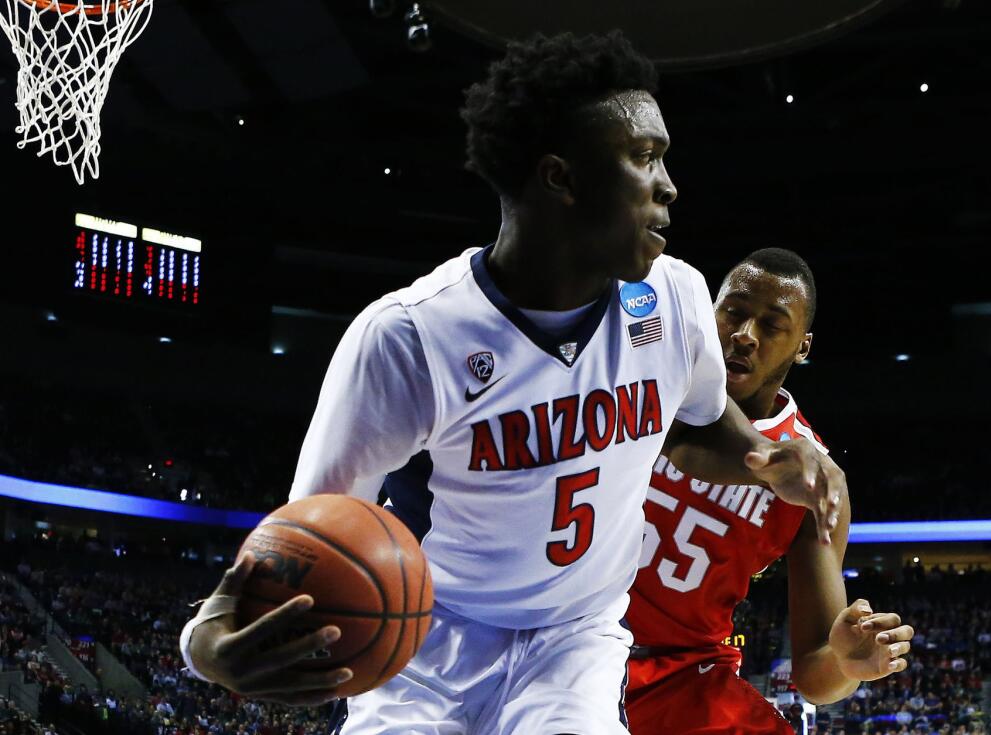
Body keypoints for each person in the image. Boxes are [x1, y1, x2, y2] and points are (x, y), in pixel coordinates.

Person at [177, 32, 846, 735]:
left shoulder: (674, 299)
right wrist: (204, 640)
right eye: (644, 158)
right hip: (427, 637)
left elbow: (699, 423)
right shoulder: (409, 336)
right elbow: (309, 530)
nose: (669, 186)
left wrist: (763, 460)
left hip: (575, 640)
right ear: (561, 177)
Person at [625, 249, 914, 734]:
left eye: (772, 324)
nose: (745, 335)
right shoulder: (643, 376)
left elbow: (815, 673)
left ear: (803, 346)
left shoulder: (817, 481)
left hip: (682, 676)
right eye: (733, 312)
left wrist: (847, 664)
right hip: (565, 632)